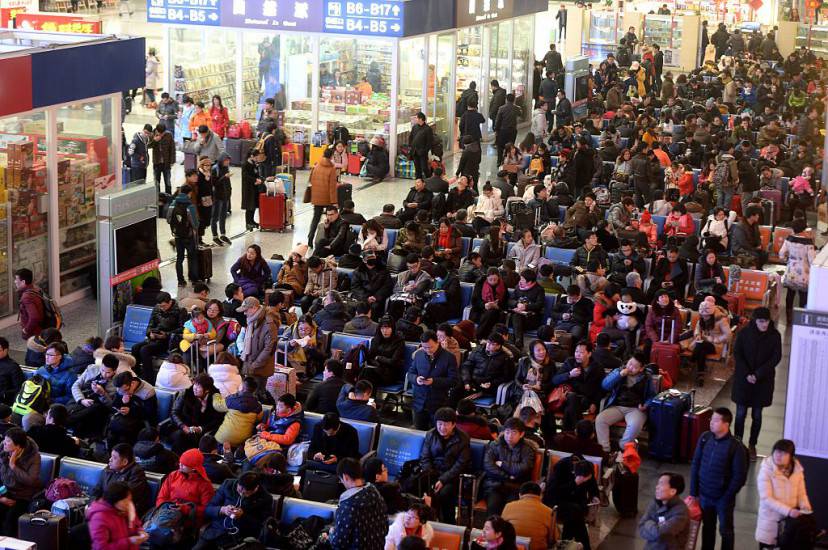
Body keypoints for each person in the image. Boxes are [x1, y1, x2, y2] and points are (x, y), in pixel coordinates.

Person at [689, 407, 748, 550]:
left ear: (726, 424)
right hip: (704, 495)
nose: (711, 423)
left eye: (716, 420)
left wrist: (726, 497)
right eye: (711, 419)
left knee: (726, 531)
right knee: (707, 528)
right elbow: (696, 464)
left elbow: (739, 477)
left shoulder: (737, 447)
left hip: (723, 499)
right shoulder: (705, 438)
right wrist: (693, 492)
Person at [732, 307, 782, 461]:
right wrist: (748, 373)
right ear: (755, 320)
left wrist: (758, 374)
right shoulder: (744, 333)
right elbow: (737, 353)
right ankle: (737, 443)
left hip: (763, 381)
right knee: (740, 414)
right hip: (743, 379)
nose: (764, 324)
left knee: (757, 415)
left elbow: (776, 357)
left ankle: (752, 445)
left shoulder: (774, 335)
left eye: (766, 321)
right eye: (761, 321)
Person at [595, 351, 656, 453]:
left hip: (636, 408)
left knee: (634, 426)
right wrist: (619, 375)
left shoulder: (646, 377)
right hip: (617, 406)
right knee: (600, 419)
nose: (630, 367)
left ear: (641, 369)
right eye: (629, 363)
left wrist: (646, 405)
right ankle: (604, 450)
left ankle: (623, 447)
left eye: (634, 367)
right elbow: (605, 385)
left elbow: (652, 396)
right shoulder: (619, 370)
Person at [755, 439, 812, 549]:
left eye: (784, 453)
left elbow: (802, 493)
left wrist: (806, 509)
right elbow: (766, 498)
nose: (778, 455)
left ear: (791, 456)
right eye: (777, 451)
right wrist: (789, 511)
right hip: (770, 522)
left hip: (789, 525)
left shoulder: (797, 470)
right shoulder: (766, 470)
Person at [194, 472, 273, 550]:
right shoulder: (228, 484)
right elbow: (208, 509)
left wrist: (243, 516)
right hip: (216, 531)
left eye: (245, 493)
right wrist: (222, 509)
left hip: (240, 538)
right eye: (239, 489)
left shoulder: (265, 498)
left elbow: (261, 526)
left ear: (255, 488)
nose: (241, 493)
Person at [419, 407, 471, 522]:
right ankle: (428, 521)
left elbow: (461, 464)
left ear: (453, 425)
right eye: (440, 424)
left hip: (453, 477)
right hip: (432, 474)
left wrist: (443, 480)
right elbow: (425, 457)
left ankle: (448, 523)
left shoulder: (463, 438)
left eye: (446, 424)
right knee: (419, 488)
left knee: (444, 493)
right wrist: (431, 477)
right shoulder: (430, 435)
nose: (442, 428)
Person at [329, 458, 388, 550]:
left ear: (345, 477)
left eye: (341, 479)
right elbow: (385, 528)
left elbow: (338, 543)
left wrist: (331, 534)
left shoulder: (348, 506)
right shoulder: (376, 494)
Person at [482, 417, 536, 515]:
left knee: (511, 510)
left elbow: (523, 468)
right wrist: (507, 476)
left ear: (522, 434)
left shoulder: (528, 449)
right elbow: (488, 466)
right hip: (495, 485)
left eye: (514, 432)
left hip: (517, 488)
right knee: (494, 506)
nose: (509, 436)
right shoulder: (495, 445)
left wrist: (502, 464)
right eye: (507, 432)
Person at [408, 331, 459, 430]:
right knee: (419, 431)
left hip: (438, 403)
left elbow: (454, 380)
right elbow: (410, 373)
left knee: (437, 434)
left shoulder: (449, 357)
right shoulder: (419, 355)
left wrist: (434, 381)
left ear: (438, 342)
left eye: (430, 347)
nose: (427, 350)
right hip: (419, 401)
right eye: (424, 347)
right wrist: (416, 379)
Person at [544, 457, 598, 550]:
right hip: (557, 502)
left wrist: (595, 496)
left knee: (575, 514)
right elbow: (553, 493)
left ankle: (566, 542)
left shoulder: (587, 468)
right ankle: (580, 546)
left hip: (575, 504)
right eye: (584, 479)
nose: (586, 480)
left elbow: (593, 486)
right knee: (575, 513)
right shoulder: (560, 468)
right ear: (575, 473)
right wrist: (574, 483)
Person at [155, 449, 216, 529]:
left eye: (184, 465)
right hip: (166, 513)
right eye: (180, 462)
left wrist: (185, 509)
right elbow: (161, 497)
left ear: (194, 468)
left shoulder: (205, 485)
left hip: (187, 520)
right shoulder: (173, 475)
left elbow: (207, 509)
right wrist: (165, 508)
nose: (180, 465)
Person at [552, 340, 605, 431]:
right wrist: (569, 374)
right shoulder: (570, 362)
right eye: (576, 351)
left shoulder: (597, 367)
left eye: (581, 352)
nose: (577, 354)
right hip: (565, 400)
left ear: (589, 354)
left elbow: (600, 388)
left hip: (585, 401)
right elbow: (555, 380)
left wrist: (595, 403)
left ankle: (570, 433)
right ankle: (580, 431)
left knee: (569, 409)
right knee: (572, 397)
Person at [167, 374, 225, 455]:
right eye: (195, 385)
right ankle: (178, 461)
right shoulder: (186, 394)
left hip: (203, 431)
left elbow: (218, 419)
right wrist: (183, 426)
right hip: (182, 427)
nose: (195, 388)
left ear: (207, 390)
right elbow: (174, 412)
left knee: (205, 442)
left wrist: (201, 428)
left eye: (198, 387)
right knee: (180, 437)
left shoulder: (215, 398)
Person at [91, 444, 153, 517]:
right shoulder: (108, 470)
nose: (110, 459)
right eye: (111, 456)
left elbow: (123, 498)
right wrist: (92, 505)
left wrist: (102, 508)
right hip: (105, 511)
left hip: (124, 515)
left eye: (114, 458)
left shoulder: (137, 474)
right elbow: (97, 490)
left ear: (124, 462)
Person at [87, 481, 149, 550]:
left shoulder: (127, 507)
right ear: (114, 500)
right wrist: (129, 541)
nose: (129, 504)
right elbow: (101, 548)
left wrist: (140, 531)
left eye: (130, 500)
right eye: (125, 501)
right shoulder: (99, 518)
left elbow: (137, 524)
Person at [638, 472, 690, 550]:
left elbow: (660, 534)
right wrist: (655, 526)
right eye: (657, 484)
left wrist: (649, 523)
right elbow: (641, 526)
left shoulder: (681, 512)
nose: (656, 487)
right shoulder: (656, 503)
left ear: (673, 491)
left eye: (661, 484)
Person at [778, 217, 815, 324]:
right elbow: (812, 261)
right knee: (803, 296)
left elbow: (781, 254)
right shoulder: (808, 243)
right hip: (804, 274)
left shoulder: (789, 239)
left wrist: (787, 260)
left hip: (791, 272)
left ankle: (789, 319)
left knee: (790, 294)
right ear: (804, 229)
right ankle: (800, 319)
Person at [236, 296, 276, 391]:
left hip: (260, 367)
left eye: (246, 310)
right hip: (251, 363)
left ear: (254, 308)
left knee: (257, 393)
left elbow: (269, 349)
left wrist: (255, 365)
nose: (245, 313)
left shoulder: (268, 324)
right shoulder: (253, 320)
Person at [501, 482, 554, 550]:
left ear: (520, 495)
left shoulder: (508, 506)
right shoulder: (549, 511)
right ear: (541, 496)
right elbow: (553, 538)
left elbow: (501, 530)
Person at [214, 377, 263, 449]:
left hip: (224, 438)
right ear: (254, 390)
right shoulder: (258, 405)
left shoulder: (231, 399)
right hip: (243, 441)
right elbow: (259, 418)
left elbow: (217, 405)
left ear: (242, 387)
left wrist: (216, 395)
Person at [168, 181, 200, 286]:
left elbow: (168, 219)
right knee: (192, 257)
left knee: (179, 258)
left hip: (177, 235)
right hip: (189, 236)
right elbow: (195, 223)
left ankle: (180, 281)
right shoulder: (190, 206)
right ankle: (194, 279)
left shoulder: (173, 204)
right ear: (189, 193)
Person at [308, 148, 340, 246]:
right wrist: (334, 202)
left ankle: (310, 237)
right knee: (330, 218)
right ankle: (328, 238)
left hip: (317, 197)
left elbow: (311, 180)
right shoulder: (332, 169)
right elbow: (332, 187)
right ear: (331, 156)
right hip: (327, 198)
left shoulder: (316, 165)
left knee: (316, 218)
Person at [35, 341, 75, 406]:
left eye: (51, 355)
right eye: (46, 354)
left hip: (55, 406)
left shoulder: (70, 375)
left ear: (60, 357)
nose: (47, 357)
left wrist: (52, 400)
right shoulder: (41, 370)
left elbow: (71, 396)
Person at [13, 268, 45, 341]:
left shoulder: (27, 297)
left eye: (16, 279)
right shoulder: (35, 289)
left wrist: (26, 330)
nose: (15, 282)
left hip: (34, 334)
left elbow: (34, 317)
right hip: (40, 330)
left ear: (23, 282)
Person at [147, 123, 175, 195]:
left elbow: (172, 148)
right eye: (160, 133)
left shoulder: (169, 135)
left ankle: (168, 197)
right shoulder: (152, 134)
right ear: (157, 131)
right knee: (156, 182)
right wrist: (154, 140)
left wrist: (172, 161)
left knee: (168, 182)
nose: (162, 135)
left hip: (166, 162)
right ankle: (157, 197)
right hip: (157, 162)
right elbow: (148, 146)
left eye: (163, 133)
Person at [494, 93, 519, 167]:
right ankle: (509, 161)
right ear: (514, 100)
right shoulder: (516, 108)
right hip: (512, 131)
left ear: (506, 99)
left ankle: (499, 162)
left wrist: (496, 129)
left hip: (503, 131)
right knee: (510, 147)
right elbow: (520, 114)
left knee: (500, 147)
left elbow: (498, 120)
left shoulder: (501, 108)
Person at [409, 112, 434, 181]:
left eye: (416, 118)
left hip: (422, 152)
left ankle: (429, 180)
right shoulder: (414, 127)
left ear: (420, 119)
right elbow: (411, 137)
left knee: (424, 168)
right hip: (415, 151)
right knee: (417, 168)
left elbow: (429, 142)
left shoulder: (428, 129)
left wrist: (425, 150)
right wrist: (411, 146)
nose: (415, 119)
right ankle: (418, 181)